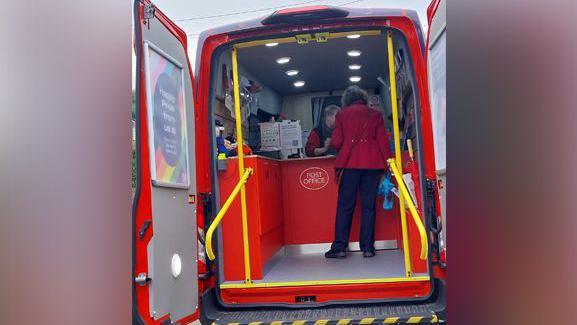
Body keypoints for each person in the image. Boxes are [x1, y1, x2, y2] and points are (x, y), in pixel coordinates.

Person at [325, 86, 391, 259]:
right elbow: (383, 142)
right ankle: (368, 248)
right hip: (371, 166)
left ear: (346, 100)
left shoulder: (342, 115)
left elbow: (336, 142)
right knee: (369, 207)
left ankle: (339, 247)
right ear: (364, 98)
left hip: (350, 166)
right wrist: (388, 165)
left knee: (345, 207)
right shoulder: (375, 115)